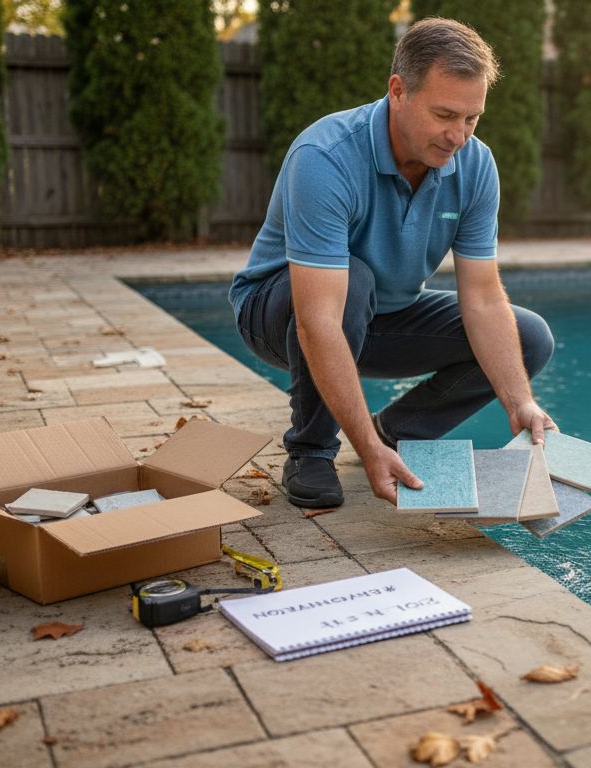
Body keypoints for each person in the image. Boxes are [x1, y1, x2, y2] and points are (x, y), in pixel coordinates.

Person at [229, 18, 556, 510]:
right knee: (353, 280)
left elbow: (485, 298)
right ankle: (311, 449)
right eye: (445, 114)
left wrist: (519, 401)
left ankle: (396, 430)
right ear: (398, 91)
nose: (458, 136)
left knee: (528, 337)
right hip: (279, 313)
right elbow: (318, 320)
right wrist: (363, 450)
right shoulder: (326, 156)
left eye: (472, 118)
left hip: (381, 312)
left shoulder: (475, 165)